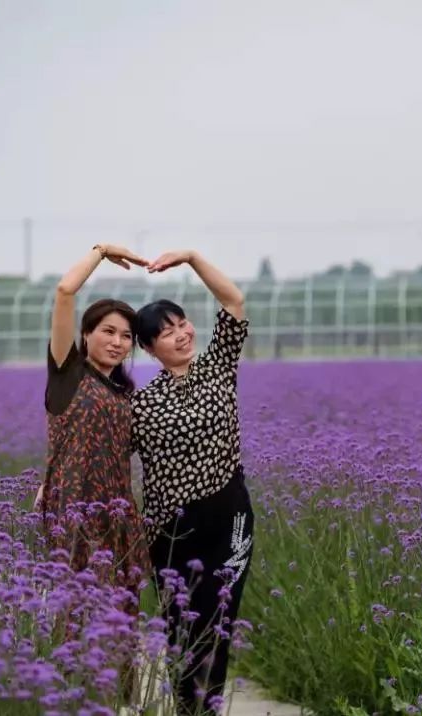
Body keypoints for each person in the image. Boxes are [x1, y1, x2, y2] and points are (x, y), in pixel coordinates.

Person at [129, 249, 253, 714]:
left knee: (219, 618)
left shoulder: (218, 367)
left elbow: (234, 301)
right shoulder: (139, 404)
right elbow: (106, 452)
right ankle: (187, 707)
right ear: (148, 348)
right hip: (171, 530)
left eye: (181, 324)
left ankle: (207, 709)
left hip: (229, 517)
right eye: (165, 333)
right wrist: (54, 478)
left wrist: (192, 259)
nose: (180, 336)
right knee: (182, 625)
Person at [35, 243, 153, 699]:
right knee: (79, 611)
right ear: (86, 334)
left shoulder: (123, 392)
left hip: (119, 514)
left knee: (124, 614)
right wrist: (101, 252)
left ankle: (119, 703)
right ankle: (73, 698)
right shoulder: (68, 373)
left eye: (126, 336)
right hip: (75, 513)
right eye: (108, 331)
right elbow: (66, 291)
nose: (117, 342)